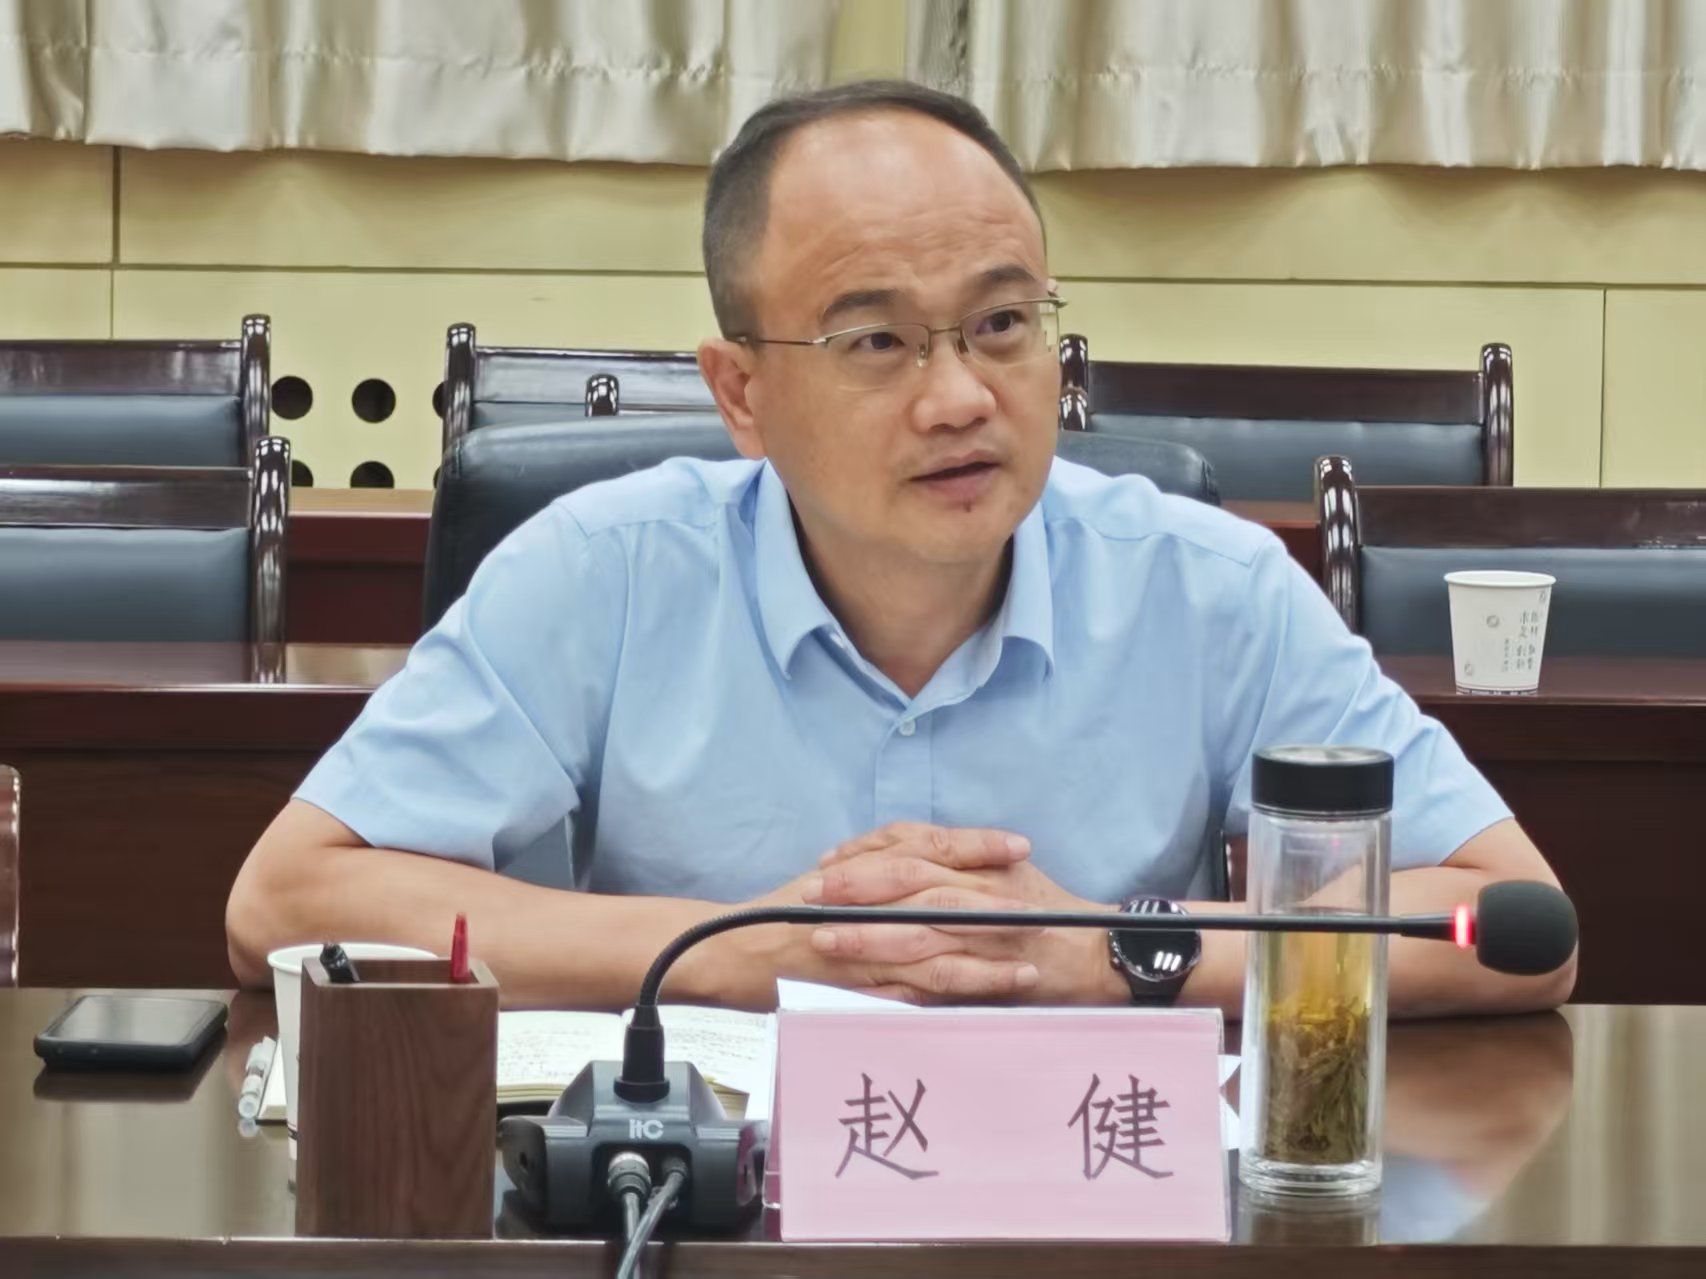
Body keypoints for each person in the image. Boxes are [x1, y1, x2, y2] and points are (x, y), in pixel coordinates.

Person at [226, 81, 1573, 1015]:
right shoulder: (603, 573)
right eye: (876, 340)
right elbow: (285, 901)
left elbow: (1505, 924)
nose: (960, 397)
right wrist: (742, 949)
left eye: (1001, 325)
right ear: (742, 392)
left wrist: (1103, 952)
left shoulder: (1205, 586)